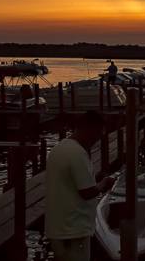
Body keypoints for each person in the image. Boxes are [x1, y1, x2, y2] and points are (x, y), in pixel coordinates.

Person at [45, 111, 115, 261]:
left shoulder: (60, 148)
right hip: (74, 232)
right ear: (88, 128)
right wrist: (105, 183)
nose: (96, 140)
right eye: (96, 134)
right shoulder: (77, 153)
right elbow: (87, 192)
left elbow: (71, 183)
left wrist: (95, 179)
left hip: (59, 229)